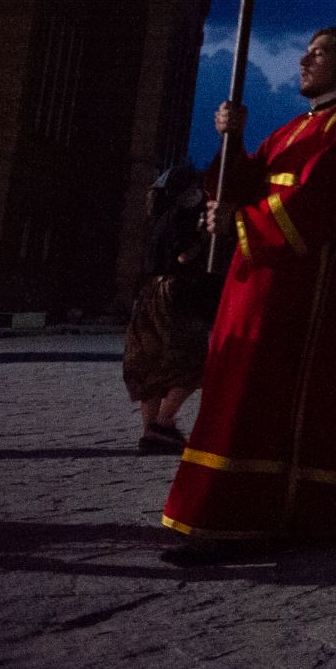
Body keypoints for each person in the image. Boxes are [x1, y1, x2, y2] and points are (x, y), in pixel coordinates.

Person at [160, 28, 336, 567]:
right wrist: (231, 142)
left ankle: (242, 518)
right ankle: (226, 512)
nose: (304, 58)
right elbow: (243, 183)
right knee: (233, 385)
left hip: (296, 290)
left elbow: (315, 205)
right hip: (254, 278)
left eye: (320, 52)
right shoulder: (292, 129)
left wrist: (241, 220)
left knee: (258, 397)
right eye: (306, 49)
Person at [123, 162, 219, 454]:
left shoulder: (157, 219)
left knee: (151, 364)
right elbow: (182, 257)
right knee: (189, 360)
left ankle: (151, 430)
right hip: (174, 295)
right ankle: (162, 423)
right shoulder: (181, 217)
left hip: (150, 295)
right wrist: (203, 238)